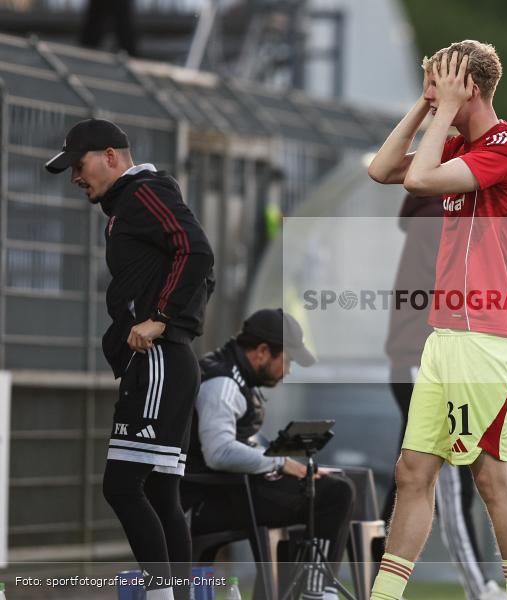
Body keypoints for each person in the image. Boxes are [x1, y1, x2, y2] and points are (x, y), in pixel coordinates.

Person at [367, 40, 507, 600]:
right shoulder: (457, 143)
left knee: (490, 476)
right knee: (413, 472)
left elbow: (419, 181)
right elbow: (382, 170)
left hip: (481, 337)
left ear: (470, 87)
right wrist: (424, 105)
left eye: (440, 82)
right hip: (446, 335)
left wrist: (442, 110)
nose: (434, 92)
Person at [45, 118, 215, 600]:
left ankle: (161, 596)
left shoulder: (143, 192)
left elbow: (197, 251)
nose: (76, 178)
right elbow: (197, 268)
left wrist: (161, 318)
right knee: (160, 493)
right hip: (165, 360)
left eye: (78, 165)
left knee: (121, 487)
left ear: (110, 156)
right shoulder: (131, 202)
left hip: (160, 359)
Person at [380, 194, 506, 599]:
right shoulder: (441, 220)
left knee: (412, 479)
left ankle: (374, 579)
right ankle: (480, 590)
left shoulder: (438, 218)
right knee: (451, 480)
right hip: (426, 362)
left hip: (419, 360)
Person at [181, 308, 355, 600]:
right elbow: (219, 453)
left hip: (230, 491)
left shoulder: (233, 373)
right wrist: (281, 462)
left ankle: (308, 589)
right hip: (210, 501)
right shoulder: (223, 384)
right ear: (262, 351)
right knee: (336, 493)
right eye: (286, 360)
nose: (288, 370)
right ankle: (316, 593)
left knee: (328, 484)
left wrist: (298, 468)